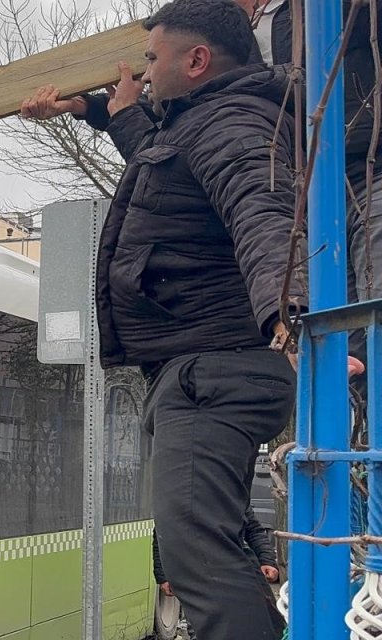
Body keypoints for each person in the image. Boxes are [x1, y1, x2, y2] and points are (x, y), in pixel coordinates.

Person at [19, 0, 300, 637]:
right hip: (209, 364)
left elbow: (263, 213)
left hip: (216, 366)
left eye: (151, 60)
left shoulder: (227, 125)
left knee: (195, 556)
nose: (140, 76)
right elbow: (159, 157)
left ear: (196, 61)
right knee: (202, 545)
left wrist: (291, 319)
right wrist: (92, 110)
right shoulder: (202, 119)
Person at [238, 0, 382, 389]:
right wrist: (100, 110)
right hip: (309, 187)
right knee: (346, 334)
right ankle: (357, 424)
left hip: (371, 163)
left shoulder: (317, 10)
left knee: (376, 309)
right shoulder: (245, 25)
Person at [153, 506, 280, 639]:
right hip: (195, 578)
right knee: (203, 630)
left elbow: (253, 530)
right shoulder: (182, 497)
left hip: (234, 575)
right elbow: (162, 535)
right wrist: (163, 575)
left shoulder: (232, 494)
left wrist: (267, 560)